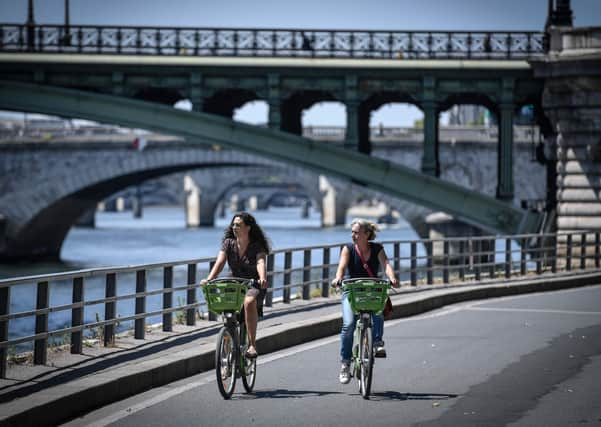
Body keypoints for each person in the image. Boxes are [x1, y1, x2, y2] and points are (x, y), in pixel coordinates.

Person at [331, 218, 400, 384]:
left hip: (371, 289)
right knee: (348, 325)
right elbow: (341, 267)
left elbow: (386, 264)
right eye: (352, 232)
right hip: (352, 291)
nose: (353, 235)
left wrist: (392, 277)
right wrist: (338, 278)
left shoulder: (377, 248)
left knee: (377, 312)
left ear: (367, 234)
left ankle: (377, 343)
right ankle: (345, 364)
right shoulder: (348, 249)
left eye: (356, 232)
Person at [202, 212, 270, 359]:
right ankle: (227, 351)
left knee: (249, 301)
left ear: (248, 228)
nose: (234, 227)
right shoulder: (228, 243)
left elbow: (260, 262)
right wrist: (209, 279)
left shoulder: (257, 246)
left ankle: (252, 345)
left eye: (238, 225)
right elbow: (219, 262)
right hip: (233, 284)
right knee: (228, 314)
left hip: (254, 284)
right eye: (233, 224)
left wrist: (263, 277)